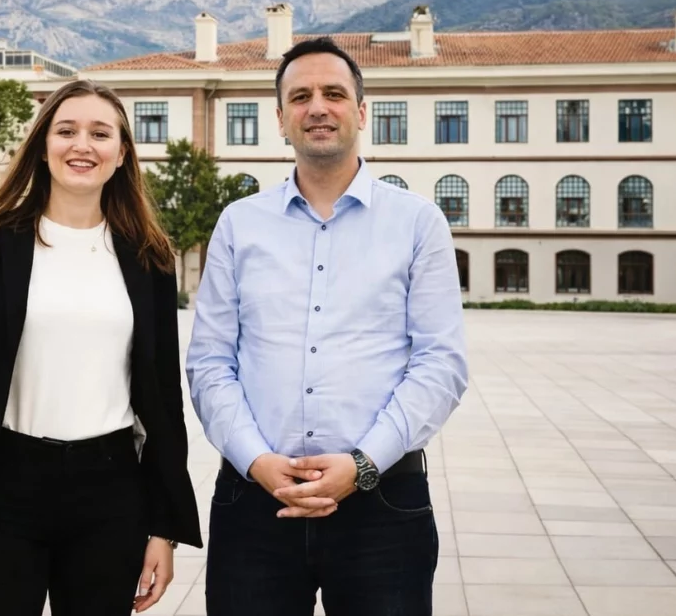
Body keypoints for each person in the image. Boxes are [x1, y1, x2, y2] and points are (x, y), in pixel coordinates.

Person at [185, 36, 468, 616]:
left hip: (384, 505)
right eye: (301, 96)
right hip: (254, 501)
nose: (318, 107)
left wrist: (361, 465)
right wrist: (257, 461)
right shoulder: (240, 225)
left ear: (361, 112)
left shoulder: (418, 223)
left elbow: (441, 363)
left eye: (334, 94)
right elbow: (210, 361)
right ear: (281, 119)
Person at [0, 79, 202, 616]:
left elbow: (162, 399)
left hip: (111, 492)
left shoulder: (150, 258)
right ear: (43, 146)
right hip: (2, 489)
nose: (81, 145)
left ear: (121, 153)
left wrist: (165, 528)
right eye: (66, 131)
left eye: (99, 133)